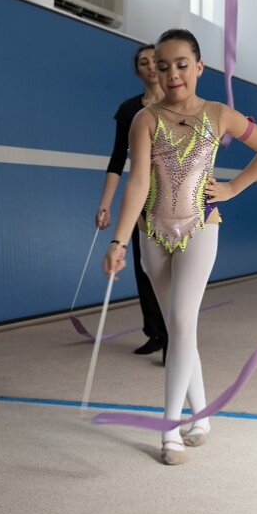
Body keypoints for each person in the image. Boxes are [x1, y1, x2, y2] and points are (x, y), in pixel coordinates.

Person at [102, 28, 257, 465]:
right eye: (163, 66)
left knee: (183, 319)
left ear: (199, 67)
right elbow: (138, 182)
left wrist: (234, 187)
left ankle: (170, 430)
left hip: (201, 225)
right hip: (152, 231)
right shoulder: (144, 119)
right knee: (177, 326)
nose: (172, 74)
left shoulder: (219, 114)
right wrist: (119, 241)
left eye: (182, 65)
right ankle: (201, 419)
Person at [95, 44, 170, 360]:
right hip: (143, 198)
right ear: (137, 71)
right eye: (143, 62)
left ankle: (173, 337)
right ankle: (156, 333)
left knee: (171, 271)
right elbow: (117, 159)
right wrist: (105, 203)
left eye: (155, 60)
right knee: (145, 267)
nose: (151, 66)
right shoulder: (129, 110)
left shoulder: (179, 104)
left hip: (176, 198)